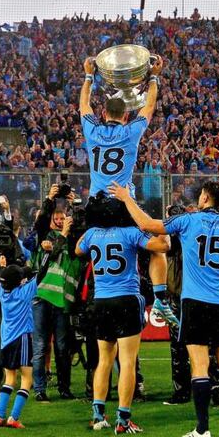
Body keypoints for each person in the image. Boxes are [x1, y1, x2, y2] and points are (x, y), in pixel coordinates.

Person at [110, 180, 219, 437]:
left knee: (200, 366)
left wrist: (127, 198)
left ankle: (203, 430)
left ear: (205, 198)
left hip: (194, 303)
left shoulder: (187, 221)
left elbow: (148, 225)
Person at [79, 53, 174, 331]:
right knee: (158, 244)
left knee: (92, 253)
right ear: (126, 115)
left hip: (95, 206)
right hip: (122, 203)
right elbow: (150, 107)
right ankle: (159, 298)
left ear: (104, 114)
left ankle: (90, 304)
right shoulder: (132, 131)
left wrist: (88, 75)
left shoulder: (91, 129)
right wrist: (154, 77)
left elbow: (83, 104)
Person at [75, 222, 170, 433]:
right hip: (126, 299)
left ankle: (98, 416)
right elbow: (161, 247)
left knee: (104, 360)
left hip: (101, 300)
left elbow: (78, 248)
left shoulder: (92, 233)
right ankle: (123, 419)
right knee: (127, 361)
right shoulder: (131, 232)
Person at [30, 186, 78, 401]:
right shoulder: (44, 237)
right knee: (40, 346)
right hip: (42, 298)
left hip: (63, 301)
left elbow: (83, 225)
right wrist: (49, 198)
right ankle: (39, 389)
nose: (59, 221)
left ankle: (64, 389)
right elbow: (40, 222)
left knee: (62, 348)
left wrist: (74, 204)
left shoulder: (74, 239)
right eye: (56, 217)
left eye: (63, 217)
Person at [0, 259, 37, 429]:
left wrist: (3, 266)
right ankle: (14, 417)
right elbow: (42, 275)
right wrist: (49, 255)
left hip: (7, 341)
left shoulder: (2, 292)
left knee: (9, 378)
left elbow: (7, 278)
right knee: (27, 378)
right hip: (23, 338)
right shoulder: (24, 293)